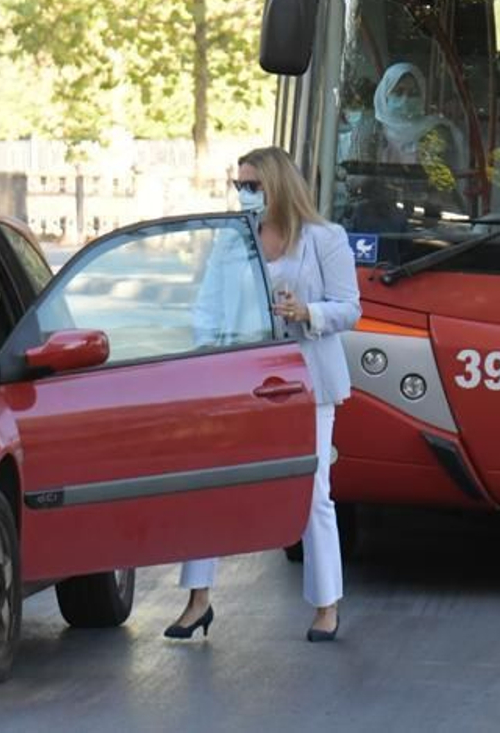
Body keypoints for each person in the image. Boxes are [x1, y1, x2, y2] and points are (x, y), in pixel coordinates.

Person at [165, 146, 361, 644]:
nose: (245, 194)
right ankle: (198, 600)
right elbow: (208, 307)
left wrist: (308, 312)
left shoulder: (324, 238)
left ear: (279, 185)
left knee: (313, 493)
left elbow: (349, 308)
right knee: (210, 483)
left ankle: (326, 606)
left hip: (306, 381)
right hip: (241, 379)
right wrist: (206, 359)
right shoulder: (234, 238)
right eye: (239, 185)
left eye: (253, 185)